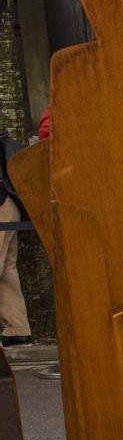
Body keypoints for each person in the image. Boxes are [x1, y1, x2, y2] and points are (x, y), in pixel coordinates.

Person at [0, 129, 30, 349]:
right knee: (7, 267)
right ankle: (17, 328)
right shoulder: (5, 140)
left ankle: (17, 328)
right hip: (9, 204)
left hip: (1, 204)